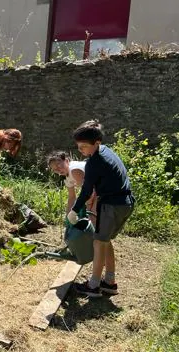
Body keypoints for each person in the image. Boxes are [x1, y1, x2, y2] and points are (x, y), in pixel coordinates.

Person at [68, 120, 135, 297]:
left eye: (83, 147)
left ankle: (94, 286)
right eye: (78, 146)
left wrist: (74, 210)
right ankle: (110, 282)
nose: (81, 150)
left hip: (112, 205)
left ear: (96, 143)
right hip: (125, 203)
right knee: (105, 241)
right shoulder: (106, 150)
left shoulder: (95, 162)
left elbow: (86, 191)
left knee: (99, 243)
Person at [47, 151, 97, 225]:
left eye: (58, 166)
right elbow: (71, 197)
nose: (58, 170)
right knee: (90, 218)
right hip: (95, 190)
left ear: (66, 161)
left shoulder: (74, 170)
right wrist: (68, 219)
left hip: (105, 185)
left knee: (92, 218)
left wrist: (88, 206)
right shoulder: (66, 177)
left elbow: (89, 192)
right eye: (54, 169)